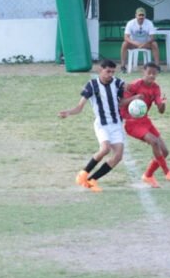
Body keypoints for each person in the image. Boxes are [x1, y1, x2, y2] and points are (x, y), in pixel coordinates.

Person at [58, 59, 136, 193]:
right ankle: (83, 173)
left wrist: (135, 97)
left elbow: (121, 102)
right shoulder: (92, 85)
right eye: (108, 71)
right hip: (102, 124)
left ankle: (92, 180)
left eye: (112, 72)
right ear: (100, 70)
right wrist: (69, 112)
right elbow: (79, 107)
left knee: (118, 156)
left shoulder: (117, 83)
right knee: (105, 149)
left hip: (116, 124)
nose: (110, 74)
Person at [121, 62, 170, 188]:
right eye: (149, 73)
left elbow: (161, 110)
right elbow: (121, 103)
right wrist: (135, 97)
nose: (152, 76)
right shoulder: (134, 85)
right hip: (132, 123)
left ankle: (148, 176)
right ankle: (167, 172)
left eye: (154, 73)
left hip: (145, 121)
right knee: (154, 142)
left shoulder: (156, 88)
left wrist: (163, 103)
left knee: (164, 151)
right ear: (144, 72)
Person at [120, 7, 160, 71]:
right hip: (133, 44)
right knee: (124, 44)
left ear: (145, 16)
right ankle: (123, 66)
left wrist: (144, 44)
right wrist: (135, 43)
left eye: (142, 15)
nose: (141, 17)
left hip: (146, 44)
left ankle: (157, 66)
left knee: (154, 44)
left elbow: (152, 38)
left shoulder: (149, 23)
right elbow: (126, 37)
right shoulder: (130, 23)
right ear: (136, 15)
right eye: (139, 15)